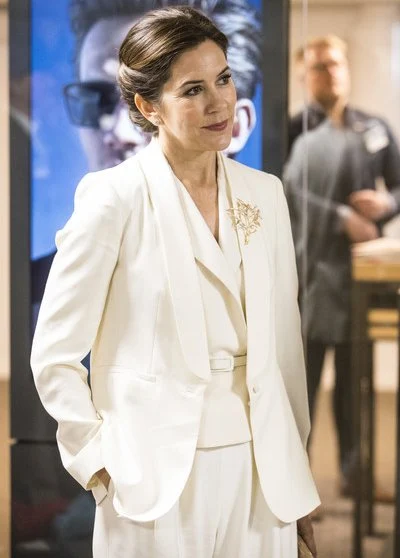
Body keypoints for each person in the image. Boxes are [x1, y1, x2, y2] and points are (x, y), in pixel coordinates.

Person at [31, 6, 320, 557]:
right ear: (148, 106)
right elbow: (54, 356)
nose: (218, 103)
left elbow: (286, 348)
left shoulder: (265, 194)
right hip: (152, 475)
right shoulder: (112, 198)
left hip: (263, 470)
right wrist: (99, 466)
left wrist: (297, 474)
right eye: (192, 90)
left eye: (223, 79)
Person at [32, 0, 261, 307]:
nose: (121, 131)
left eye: (154, 101)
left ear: (233, 125)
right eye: (96, 99)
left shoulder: (265, 227)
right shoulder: (37, 296)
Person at [285, 35, 400, 498]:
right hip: (307, 276)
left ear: (347, 69)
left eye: (333, 64)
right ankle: (296, 484)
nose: (327, 73)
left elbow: (398, 187)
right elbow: (282, 191)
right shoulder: (291, 132)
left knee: (355, 382)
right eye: (317, 67)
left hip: (360, 280)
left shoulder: (374, 128)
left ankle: (355, 472)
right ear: (303, 77)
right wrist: (340, 218)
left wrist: (386, 203)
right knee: (302, 386)